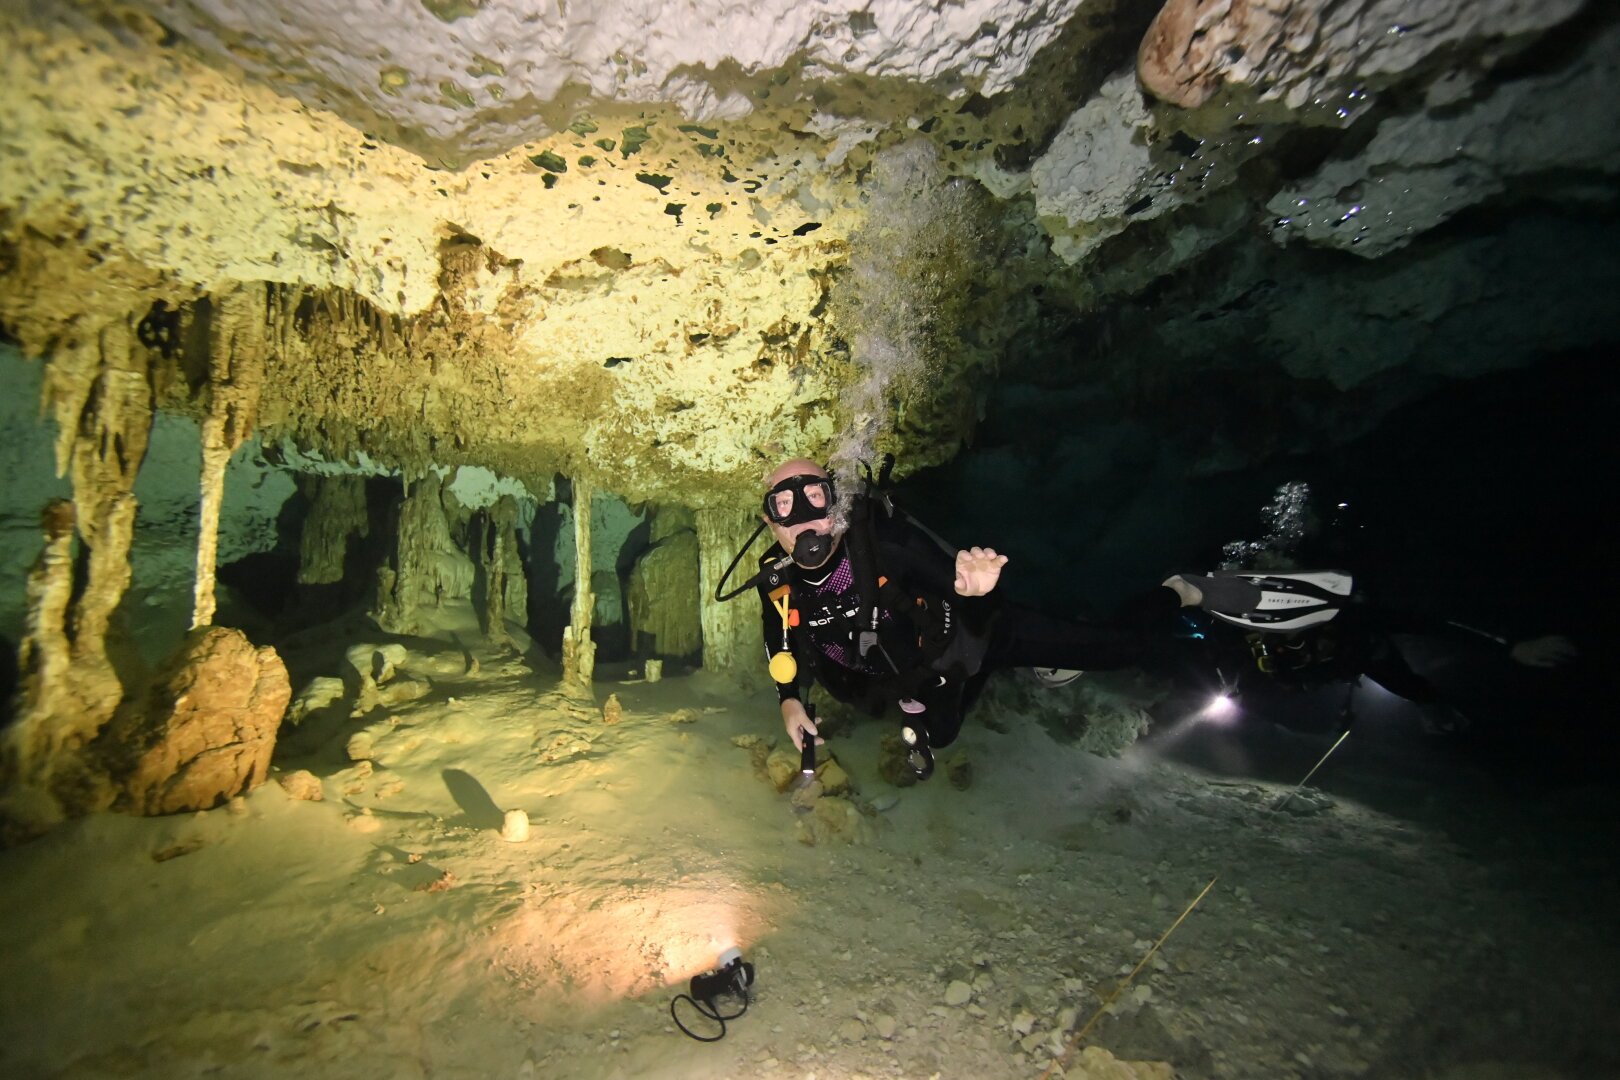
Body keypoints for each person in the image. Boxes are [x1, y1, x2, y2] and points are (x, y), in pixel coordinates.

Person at [753, 459, 1204, 776]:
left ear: (837, 505)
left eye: (815, 496)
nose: (804, 518)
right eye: (786, 506)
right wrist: (788, 698)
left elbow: (953, 579)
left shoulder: (884, 545)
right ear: (770, 522)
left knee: (1124, 650)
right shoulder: (775, 577)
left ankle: (1175, 594)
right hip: (920, 676)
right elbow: (778, 632)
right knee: (942, 737)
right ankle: (994, 676)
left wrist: (970, 587)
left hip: (976, 633)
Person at [1176, 570, 1577, 732]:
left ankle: (1453, 716)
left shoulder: (1353, 624)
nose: (1295, 640)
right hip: (1306, 677)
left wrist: (1508, 646)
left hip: (1363, 654)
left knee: (1413, 689)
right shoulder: (1251, 639)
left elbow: (1430, 624)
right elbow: (1208, 654)